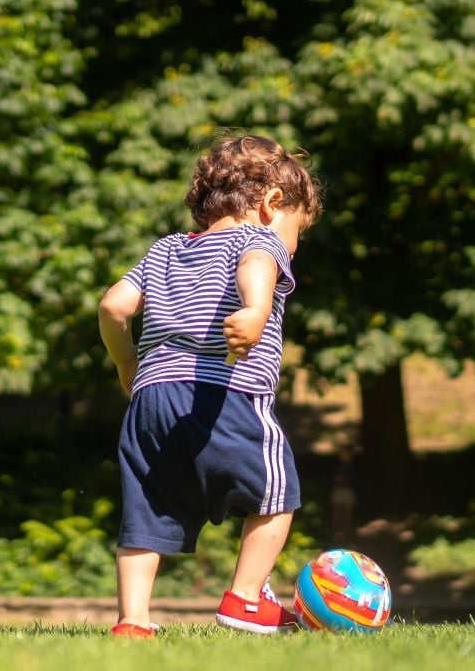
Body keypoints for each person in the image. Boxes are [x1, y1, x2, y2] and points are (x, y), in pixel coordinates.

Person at [97, 135, 323, 638]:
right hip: (224, 390)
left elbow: (113, 306)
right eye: (299, 230)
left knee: (148, 507)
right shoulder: (258, 240)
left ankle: (132, 621)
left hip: (151, 401)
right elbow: (257, 266)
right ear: (272, 204)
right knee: (277, 492)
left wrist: (126, 360)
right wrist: (256, 309)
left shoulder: (165, 249)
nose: (294, 244)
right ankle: (245, 599)